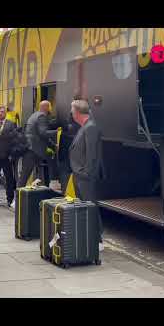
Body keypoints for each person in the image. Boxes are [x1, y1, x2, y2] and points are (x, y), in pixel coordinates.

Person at [68, 98, 105, 251]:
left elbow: (92, 155)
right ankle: (89, 237)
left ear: (77, 112)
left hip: (85, 176)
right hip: (80, 175)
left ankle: (97, 240)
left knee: (90, 206)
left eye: (72, 111)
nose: (71, 113)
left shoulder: (90, 127)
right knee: (85, 206)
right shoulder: (85, 126)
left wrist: (85, 173)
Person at [17, 100, 59, 190]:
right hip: (35, 149)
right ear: (46, 107)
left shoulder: (34, 115)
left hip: (30, 147)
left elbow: (39, 134)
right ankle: (54, 181)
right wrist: (58, 132)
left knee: (24, 174)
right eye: (50, 107)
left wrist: (52, 145)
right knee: (52, 156)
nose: (50, 109)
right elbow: (43, 133)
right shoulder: (42, 116)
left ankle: (18, 197)